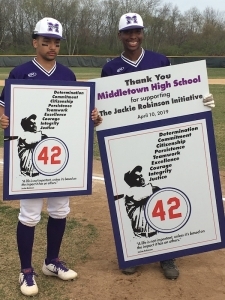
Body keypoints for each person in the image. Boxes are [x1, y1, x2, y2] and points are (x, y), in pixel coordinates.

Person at [101, 12, 215, 279]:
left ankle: (167, 255)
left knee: (160, 193)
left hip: (159, 139)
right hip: (130, 144)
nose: (133, 36)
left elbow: (178, 94)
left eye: (137, 31)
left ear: (142, 33)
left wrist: (201, 100)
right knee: (134, 198)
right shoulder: (110, 68)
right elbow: (107, 107)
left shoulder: (160, 60)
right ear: (120, 35)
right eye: (127, 32)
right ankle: (136, 252)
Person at [0, 17, 102, 297]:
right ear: (35, 42)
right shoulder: (20, 73)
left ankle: (51, 261)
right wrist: (3, 118)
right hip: (31, 158)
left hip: (59, 160)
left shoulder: (68, 75)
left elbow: (77, 112)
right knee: (30, 214)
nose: (52, 46)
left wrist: (92, 116)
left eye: (56, 42)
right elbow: (3, 106)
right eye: (46, 41)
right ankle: (26, 270)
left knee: (59, 210)